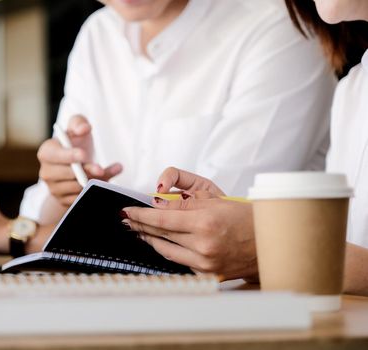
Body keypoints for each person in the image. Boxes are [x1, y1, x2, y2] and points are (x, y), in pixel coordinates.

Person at [0, 0, 335, 256]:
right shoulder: (98, 33)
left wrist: (7, 233)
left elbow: (212, 237)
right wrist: (62, 187)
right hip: (106, 301)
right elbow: (48, 209)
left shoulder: (278, 27)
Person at [122, 0, 368, 294]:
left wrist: (274, 249)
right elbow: (352, 257)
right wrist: (242, 231)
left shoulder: (276, 35)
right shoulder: (353, 91)